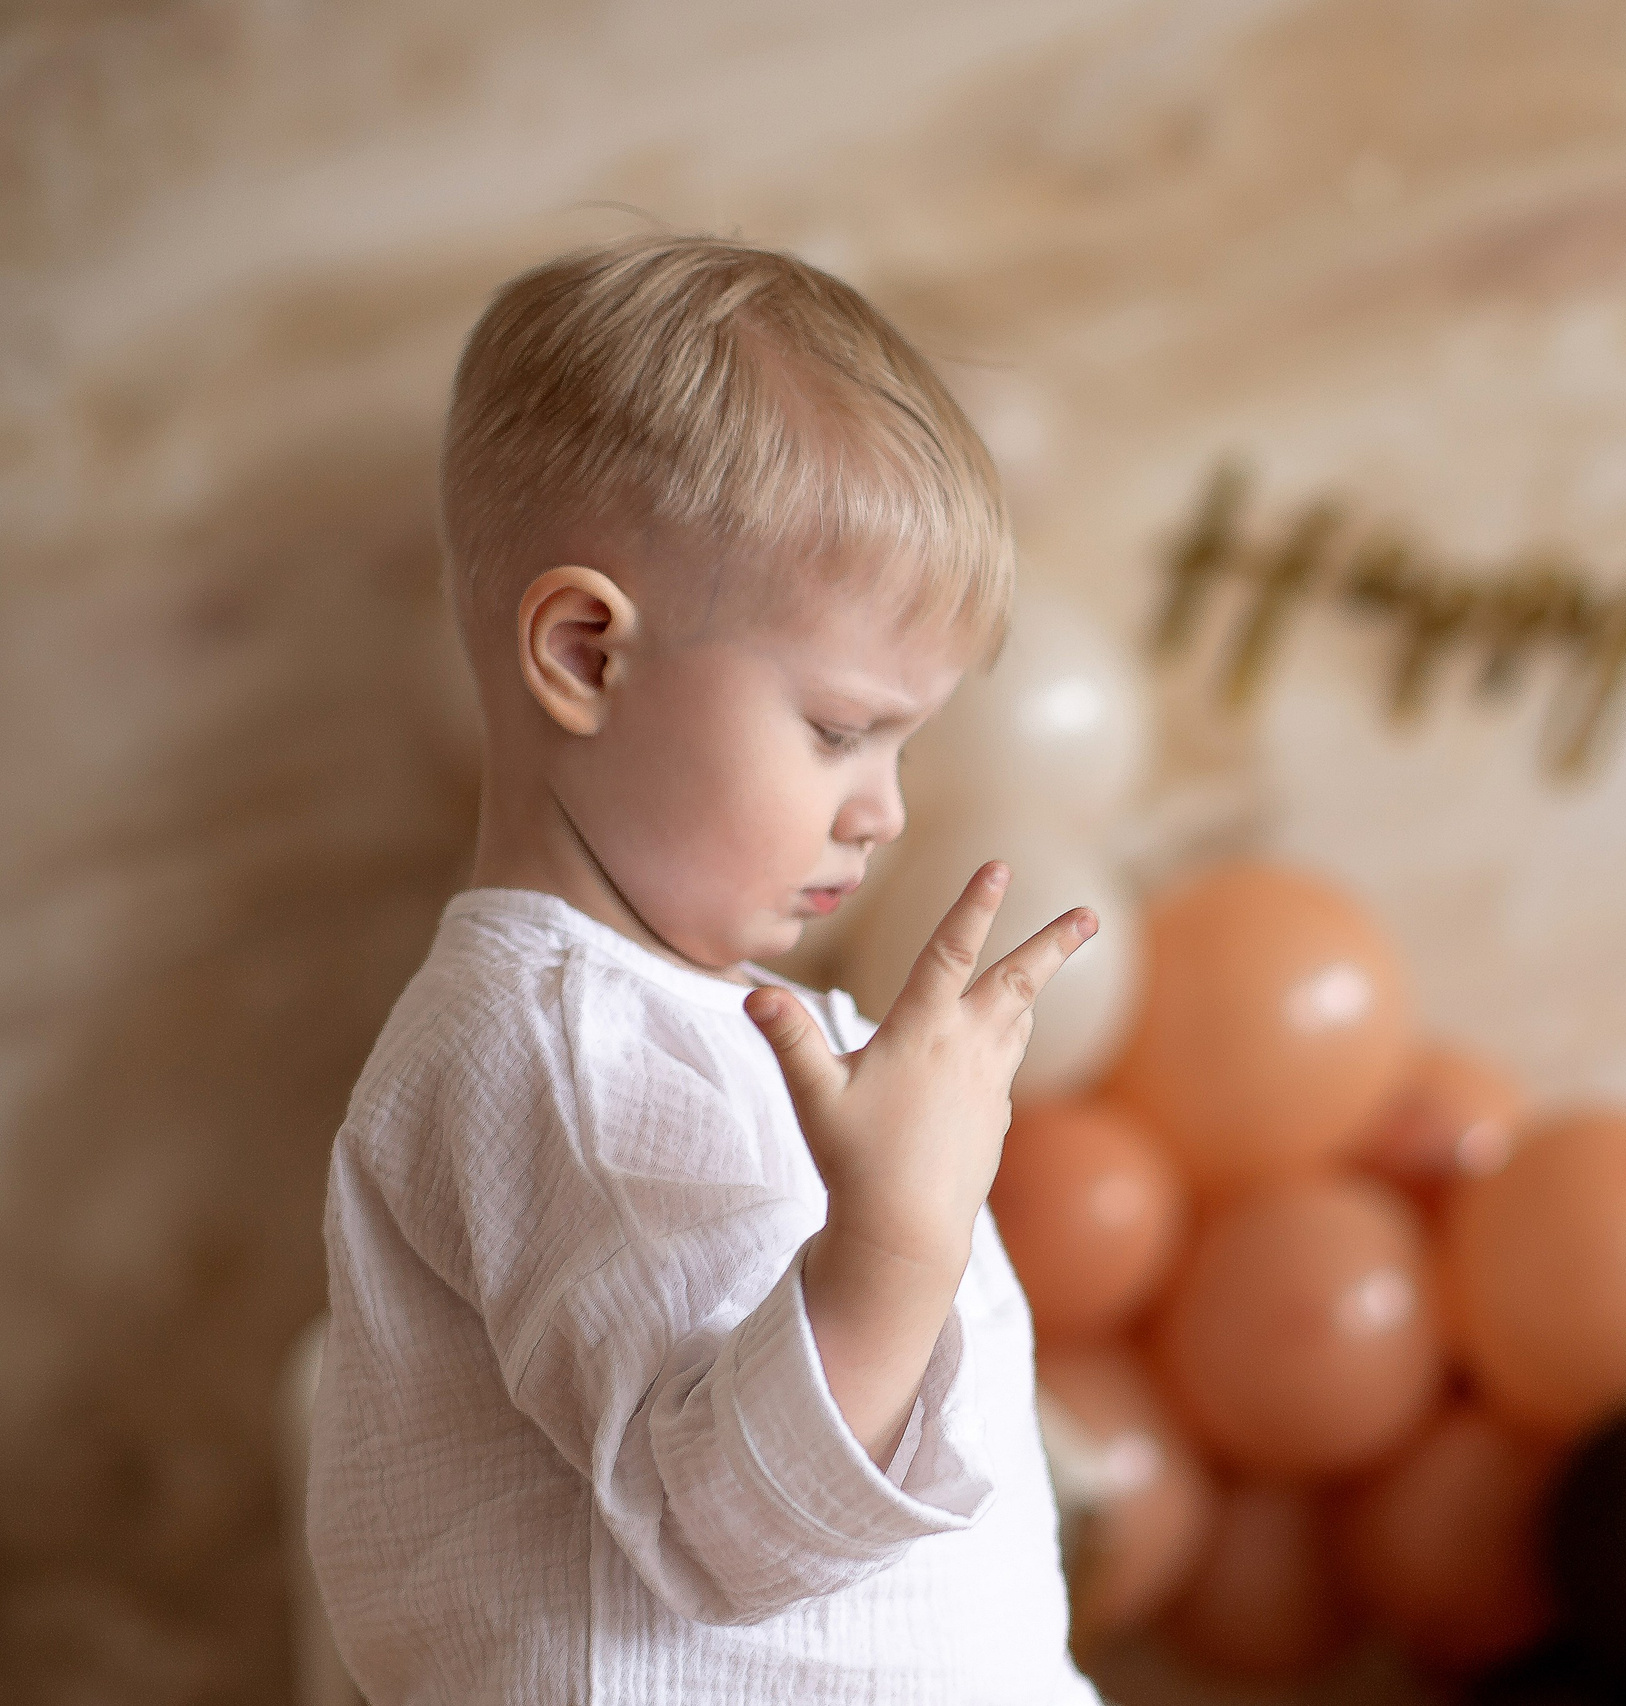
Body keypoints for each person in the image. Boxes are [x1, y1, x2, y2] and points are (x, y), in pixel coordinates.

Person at [306, 233, 1107, 1704]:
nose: (889, 808)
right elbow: (728, 1525)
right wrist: (896, 1238)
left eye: (907, 744)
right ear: (587, 657)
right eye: (838, 727)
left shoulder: (673, 1020)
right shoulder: (550, 1048)